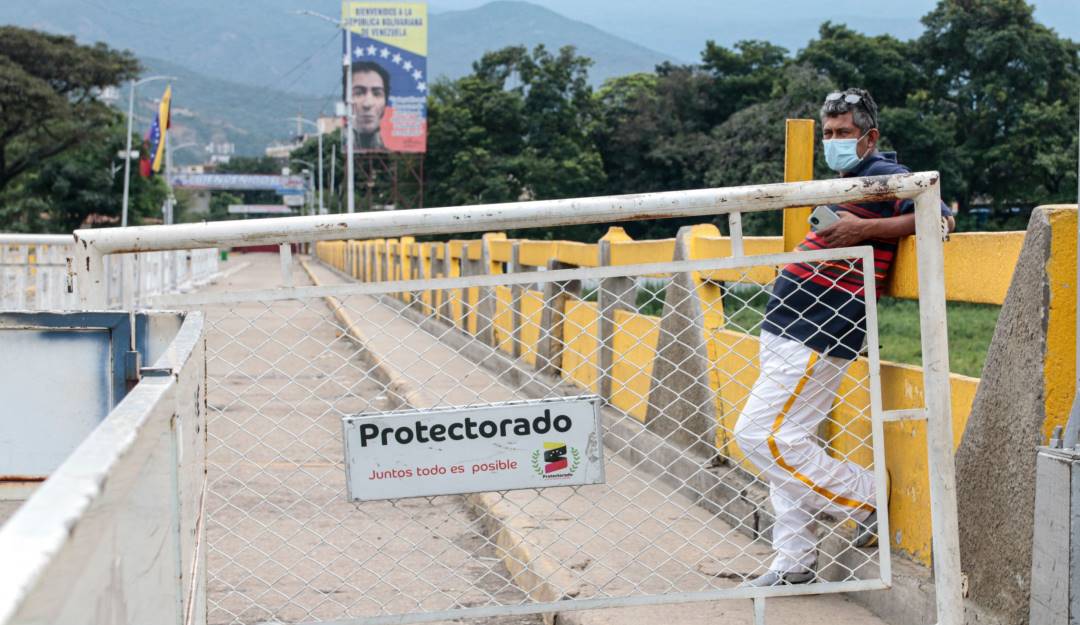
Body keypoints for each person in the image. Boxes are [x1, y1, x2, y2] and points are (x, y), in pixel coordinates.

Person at [734, 88, 955, 587]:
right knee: (789, 441)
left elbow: (939, 217)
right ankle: (793, 561)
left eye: (843, 133)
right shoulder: (846, 181)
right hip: (789, 321)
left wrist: (863, 231)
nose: (833, 141)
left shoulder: (880, 174)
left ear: (869, 137)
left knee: (759, 436)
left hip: (819, 324)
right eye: (828, 133)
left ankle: (866, 496)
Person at [351, 61, 390, 150]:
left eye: (377, 94)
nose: (367, 104)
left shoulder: (392, 153)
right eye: (359, 93)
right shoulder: (340, 144)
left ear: (385, 102)